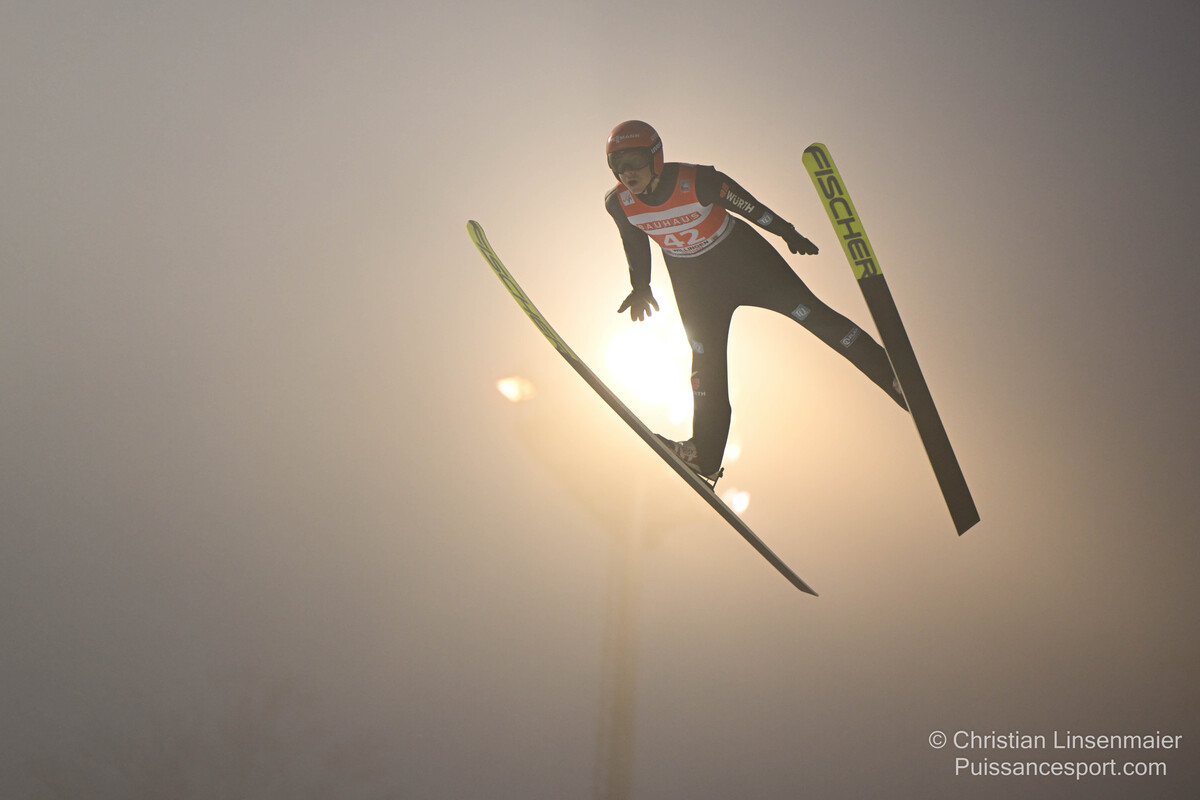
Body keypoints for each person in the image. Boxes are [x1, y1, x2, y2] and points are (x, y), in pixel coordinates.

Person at [604, 120, 906, 481]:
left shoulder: (698, 180)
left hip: (746, 264)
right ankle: (704, 455)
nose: (627, 173)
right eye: (618, 165)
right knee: (705, 362)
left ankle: (895, 378)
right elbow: (634, 242)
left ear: (655, 157)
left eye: (635, 161)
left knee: (813, 316)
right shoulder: (619, 203)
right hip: (696, 285)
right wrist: (641, 286)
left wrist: (787, 232)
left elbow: (750, 207)